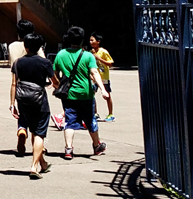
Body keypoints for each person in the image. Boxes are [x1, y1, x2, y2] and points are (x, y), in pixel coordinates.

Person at [53, 26, 111, 160]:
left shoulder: (61, 54)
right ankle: (96, 145)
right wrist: (103, 89)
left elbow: (55, 73)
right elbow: (94, 72)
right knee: (90, 119)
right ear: (82, 39)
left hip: (68, 94)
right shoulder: (88, 55)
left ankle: (68, 149)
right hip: (86, 93)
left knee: (69, 121)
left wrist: (57, 85)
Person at [10, 33, 57, 179]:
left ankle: (43, 163)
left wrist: (12, 104)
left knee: (33, 130)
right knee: (39, 133)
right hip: (39, 100)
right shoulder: (45, 63)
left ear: (26, 46)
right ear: (40, 47)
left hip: (23, 100)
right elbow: (54, 81)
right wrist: (54, 85)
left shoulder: (18, 62)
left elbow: (14, 83)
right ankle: (34, 166)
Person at [7, 20, 43, 152]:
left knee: (23, 113)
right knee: (36, 117)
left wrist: (12, 103)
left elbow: (13, 80)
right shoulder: (35, 45)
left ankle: (21, 130)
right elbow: (43, 60)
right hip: (36, 84)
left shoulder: (12, 46)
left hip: (19, 84)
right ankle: (36, 146)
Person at [90, 32, 115, 122]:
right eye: (90, 40)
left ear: (98, 41)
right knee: (91, 95)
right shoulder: (90, 53)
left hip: (104, 78)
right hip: (94, 79)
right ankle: (95, 113)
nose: (91, 42)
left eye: (92, 40)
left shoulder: (103, 52)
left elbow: (110, 63)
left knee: (107, 96)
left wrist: (98, 58)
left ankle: (111, 114)